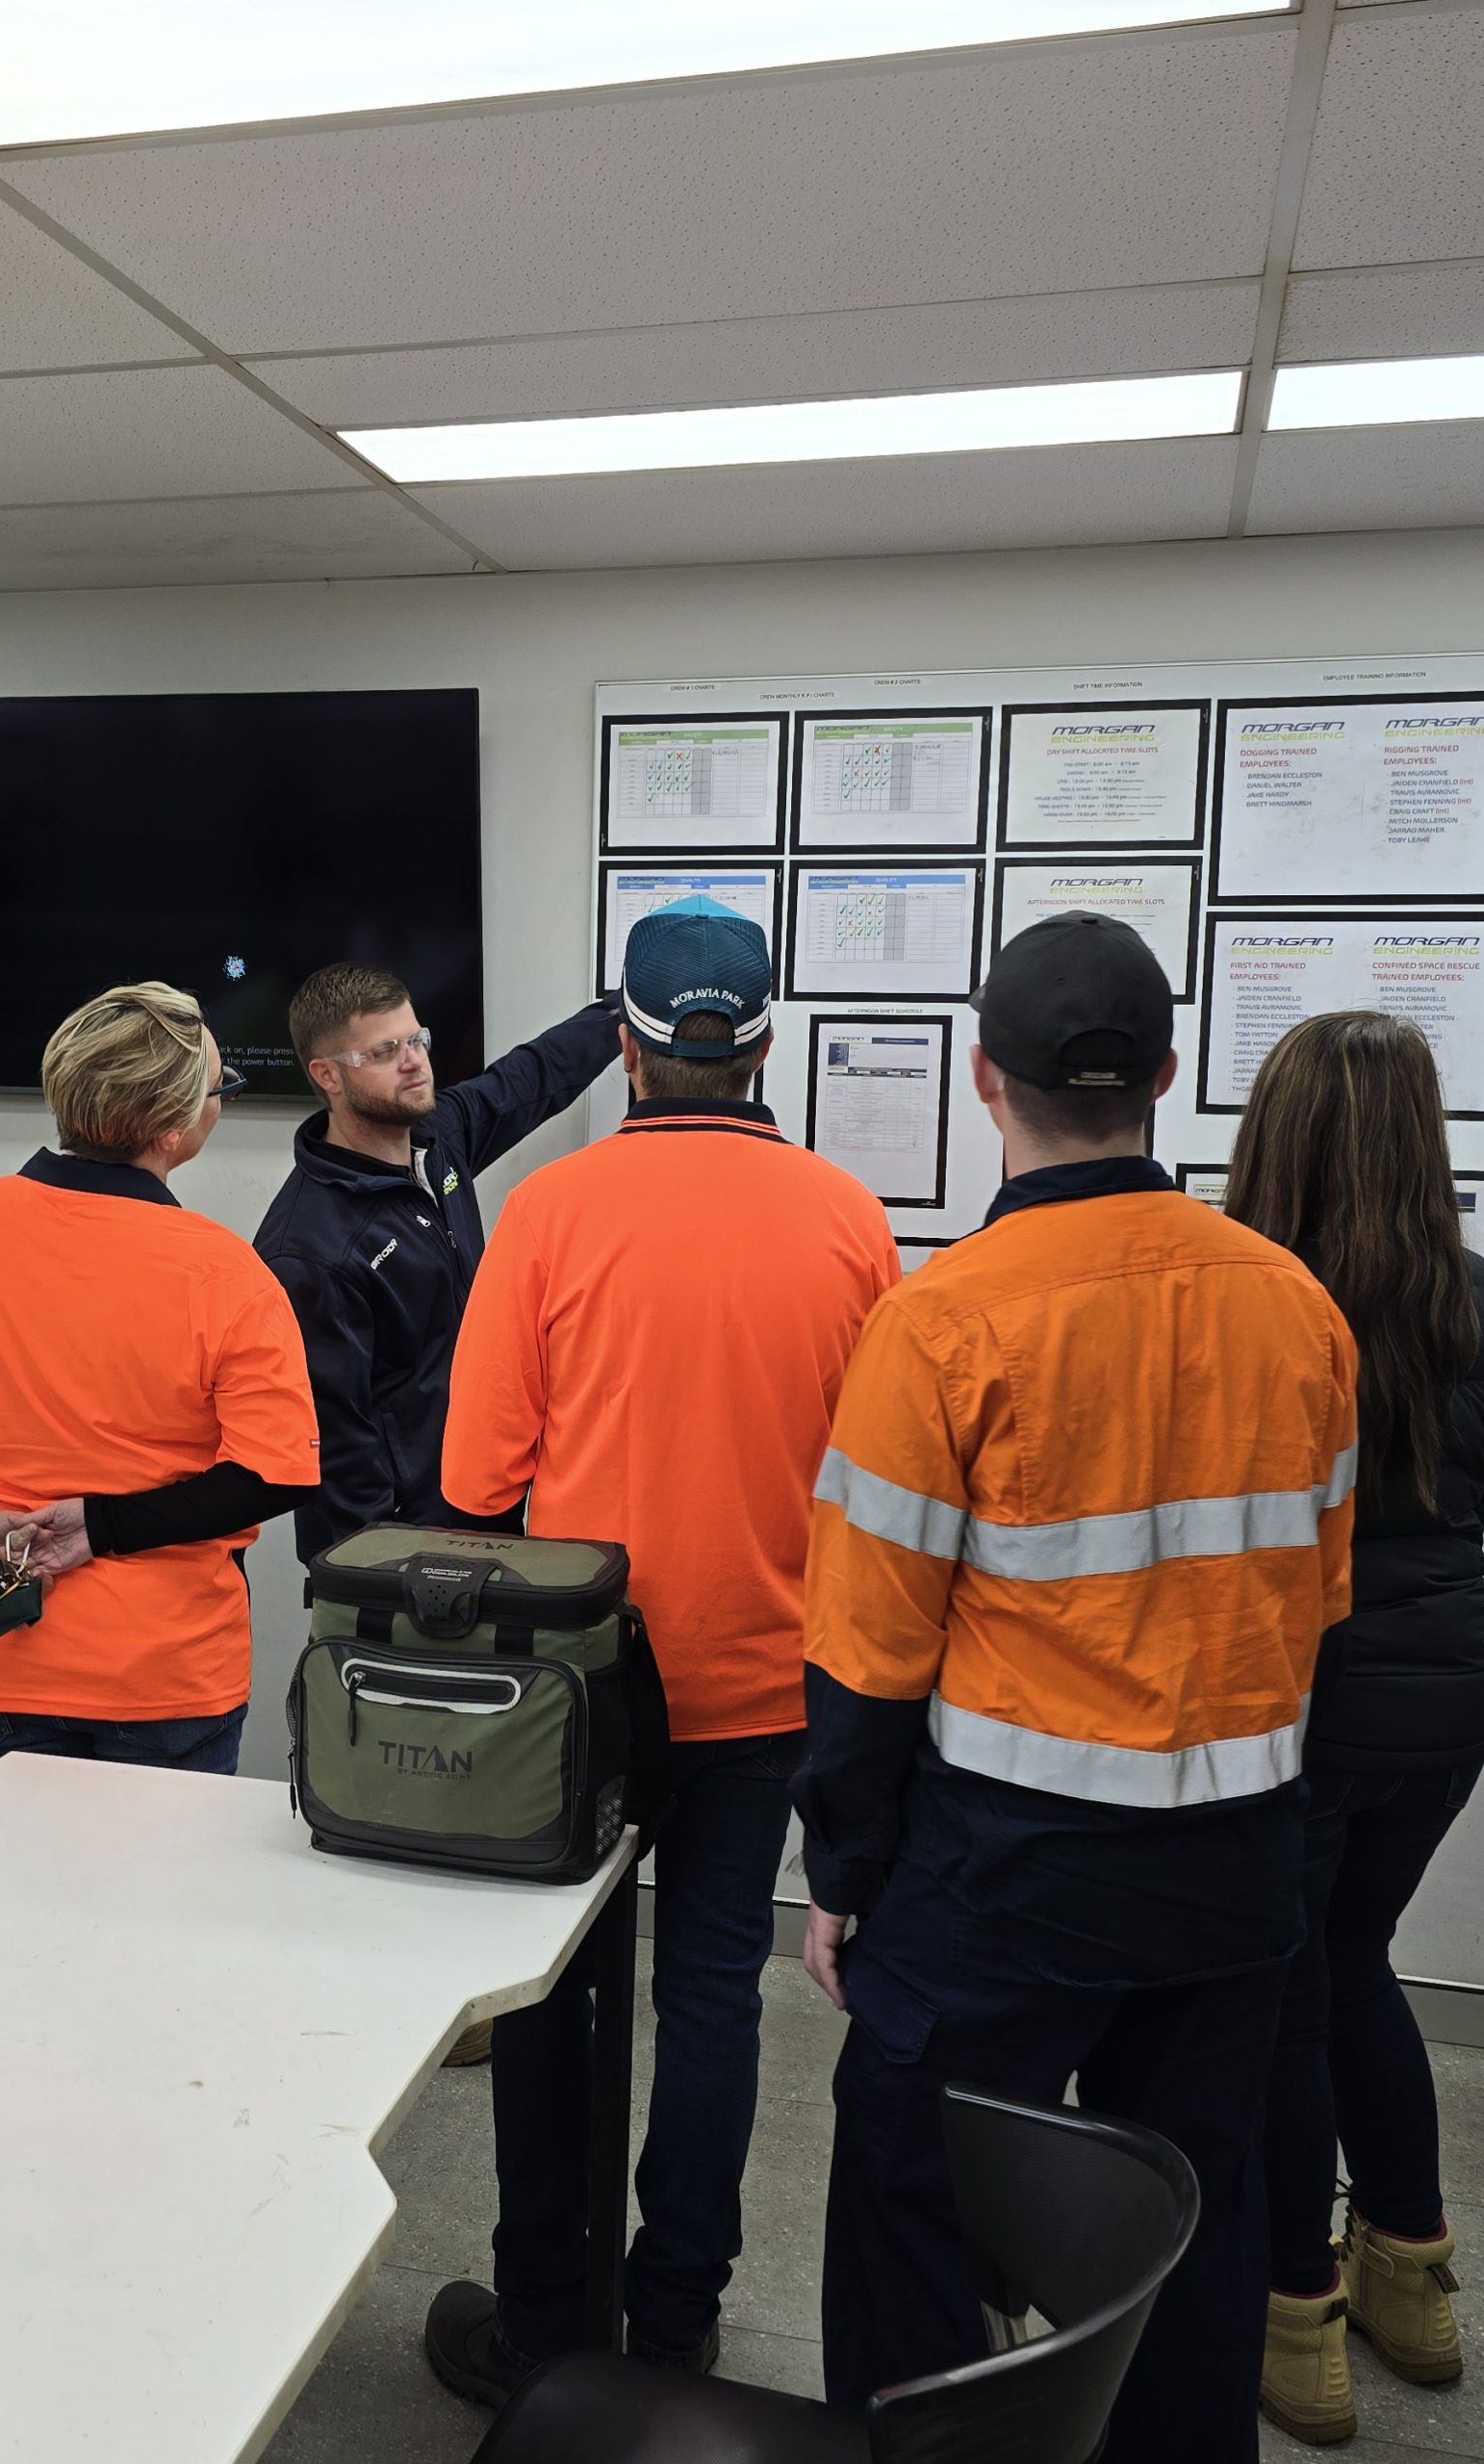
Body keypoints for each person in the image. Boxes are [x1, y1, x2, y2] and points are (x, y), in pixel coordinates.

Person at [798, 911, 1359, 2464]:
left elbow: (863, 1651)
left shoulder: (939, 1322)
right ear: (1170, 1075)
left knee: (911, 2197)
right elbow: (1320, 1596)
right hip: (1239, 1867)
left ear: (986, 1079)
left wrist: (844, 1874)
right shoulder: (1293, 1304)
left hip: (1004, 1871)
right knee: (1181, 2228)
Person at [420, 898, 901, 2401]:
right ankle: (680, 2318)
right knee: (711, 1994)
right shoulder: (849, 1219)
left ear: (624, 1049)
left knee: (551, 1997)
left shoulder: (552, 1214)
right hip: (768, 1686)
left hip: (578, 1693)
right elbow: (877, 1478)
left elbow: (473, 1488)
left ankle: (546, 2326)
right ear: (764, 1046)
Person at [1228, 1014, 1484, 2447]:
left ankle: (1298, 2323)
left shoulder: (1268, 1304)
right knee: (1362, 1968)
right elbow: (1470, 1497)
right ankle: (1412, 2281)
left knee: (1291, 2005)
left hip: (1307, 1701)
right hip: (1446, 1700)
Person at [0, 982, 320, 1780]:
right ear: (176, 1128)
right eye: (218, 1091)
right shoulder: (225, 1272)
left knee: (17, 1896)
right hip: (165, 1671)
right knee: (157, 1902)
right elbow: (274, 1474)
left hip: (2, 1654)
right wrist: (102, 1528)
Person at [252, 963, 621, 1566]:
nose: (414, 1061)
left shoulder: (434, 1138)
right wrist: (389, 1574)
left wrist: (622, 1013)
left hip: (481, 1500)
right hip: (403, 1554)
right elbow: (335, 1448)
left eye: (417, 1040)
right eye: (384, 1051)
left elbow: (529, 1078)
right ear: (328, 1076)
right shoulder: (309, 1250)